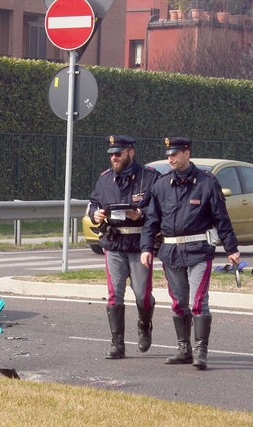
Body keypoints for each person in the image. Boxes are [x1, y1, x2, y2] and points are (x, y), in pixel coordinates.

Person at [140, 137, 240, 370]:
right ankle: (183, 349)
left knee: (198, 303)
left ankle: (200, 351)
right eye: (168, 155)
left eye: (175, 154)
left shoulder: (207, 183)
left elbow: (221, 218)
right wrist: (146, 248)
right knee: (178, 303)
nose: (171, 158)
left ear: (187, 153)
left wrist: (232, 248)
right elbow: (151, 221)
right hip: (171, 251)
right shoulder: (161, 185)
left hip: (199, 251)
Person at [88, 135, 161, 359]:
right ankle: (117, 344)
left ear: (131, 152)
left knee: (142, 295)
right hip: (115, 242)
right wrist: (96, 214)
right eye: (111, 154)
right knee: (114, 294)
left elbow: (160, 208)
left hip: (140, 243)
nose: (114, 157)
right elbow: (92, 204)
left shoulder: (150, 177)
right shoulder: (104, 179)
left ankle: (144, 325)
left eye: (118, 153)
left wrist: (141, 213)